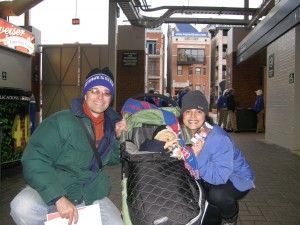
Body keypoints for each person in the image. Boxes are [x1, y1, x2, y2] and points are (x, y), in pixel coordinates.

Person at [10, 67, 128, 225]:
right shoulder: (60, 121)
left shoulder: (110, 126)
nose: (100, 97)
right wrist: (57, 197)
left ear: (110, 97)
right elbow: (34, 158)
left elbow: (112, 160)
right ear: (85, 94)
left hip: (89, 192)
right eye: (94, 90)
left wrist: (118, 138)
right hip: (56, 186)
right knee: (22, 206)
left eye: (106, 92)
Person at [179, 90, 255, 225]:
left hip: (235, 177)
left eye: (199, 111)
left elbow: (220, 177)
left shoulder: (218, 137)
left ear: (205, 115)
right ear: (182, 114)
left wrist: (197, 157)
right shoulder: (184, 132)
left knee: (216, 196)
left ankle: (230, 217)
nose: (193, 116)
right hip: (212, 173)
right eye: (188, 111)